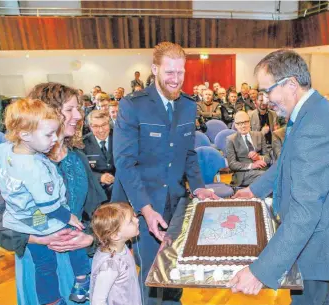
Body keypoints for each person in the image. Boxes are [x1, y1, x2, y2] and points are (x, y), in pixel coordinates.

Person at [230, 49, 329, 305]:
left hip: (316, 240)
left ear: (291, 85)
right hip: (313, 236)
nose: (265, 99)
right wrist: (254, 190)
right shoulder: (309, 111)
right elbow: (285, 164)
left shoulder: (314, 126)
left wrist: (260, 271)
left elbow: (305, 212)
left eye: (268, 91)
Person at [112, 41, 217, 305]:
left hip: (175, 203)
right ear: (155, 69)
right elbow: (124, 163)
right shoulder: (132, 105)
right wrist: (145, 209)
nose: (175, 79)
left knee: (174, 268)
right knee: (152, 275)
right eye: (169, 72)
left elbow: (188, 153)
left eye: (180, 72)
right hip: (143, 204)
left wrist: (199, 186)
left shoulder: (188, 105)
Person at [0, 82, 107, 305]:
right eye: (70, 109)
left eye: (79, 108)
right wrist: (35, 238)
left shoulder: (77, 157)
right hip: (38, 260)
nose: (78, 115)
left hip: (79, 260)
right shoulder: (11, 161)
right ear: (49, 112)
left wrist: (89, 238)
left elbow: (98, 211)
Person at [90, 203, 141, 305]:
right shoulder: (109, 266)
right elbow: (97, 301)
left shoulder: (121, 247)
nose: (137, 220)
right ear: (115, 235)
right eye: (131, 221)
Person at [226, 112, 271, 187]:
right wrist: (252, 165)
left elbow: (268, 158)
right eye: (239, 123)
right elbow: (232, 164)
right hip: (244, 173)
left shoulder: (259, 135)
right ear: (235, 125)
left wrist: (259, 158)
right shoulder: (231, 140)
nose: (243, 126)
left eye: (245, 122)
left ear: (249, 123)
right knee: (267, 177)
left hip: (262, 169)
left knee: (277, 174)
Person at [83, 110, 116, 200]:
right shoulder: (83, 144)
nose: (101, 130)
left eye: (104, 125)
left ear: (109, 123)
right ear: (90, 127)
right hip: (95, 192)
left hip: (119, 189)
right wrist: (99, 177)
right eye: (96, 126)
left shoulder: (120, 138)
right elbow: (81, 171)